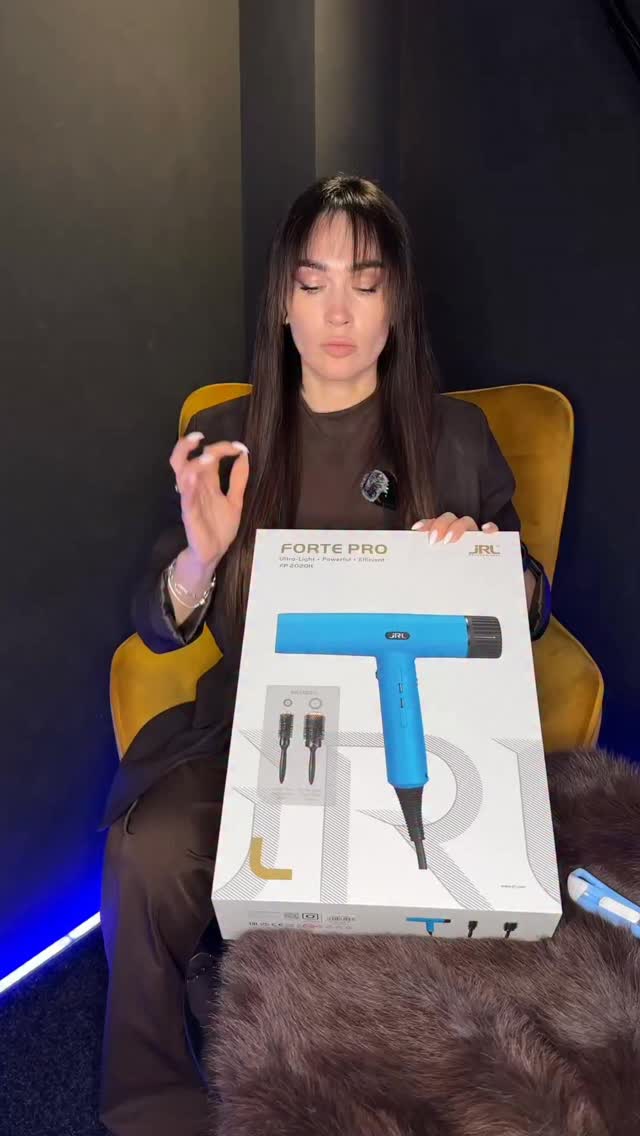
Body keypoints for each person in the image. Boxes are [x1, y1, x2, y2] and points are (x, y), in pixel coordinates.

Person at [98, 174, 551, 1136]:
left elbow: (531, 605)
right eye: (313, 283)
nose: (338, 311)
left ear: (397, 302)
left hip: (415, 730)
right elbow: (155, 619)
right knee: (149, 849)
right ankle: (150, 1103)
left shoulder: (455, 438)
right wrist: (201, 558)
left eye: (366, 282)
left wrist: (487, 567)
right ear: (283, 302)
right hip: (250, 729)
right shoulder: (230, 439)